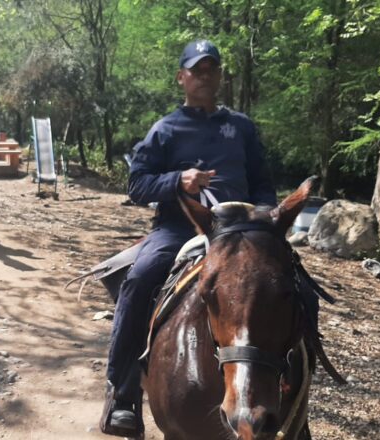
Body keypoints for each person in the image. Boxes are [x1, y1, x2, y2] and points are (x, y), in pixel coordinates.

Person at [101, 40, 277, 436]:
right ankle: (122, 392)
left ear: (219, 76)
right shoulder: (165, 129)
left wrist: (266, 215)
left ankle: (296, 390)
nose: (204, 75)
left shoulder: (242, 128)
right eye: (196, 69)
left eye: (211, 69)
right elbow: (137, 185)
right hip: (179, 228)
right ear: (181, 77)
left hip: (241, 231)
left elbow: (264, 184)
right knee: (140, 277)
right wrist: (175, 180)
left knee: (295, 284)